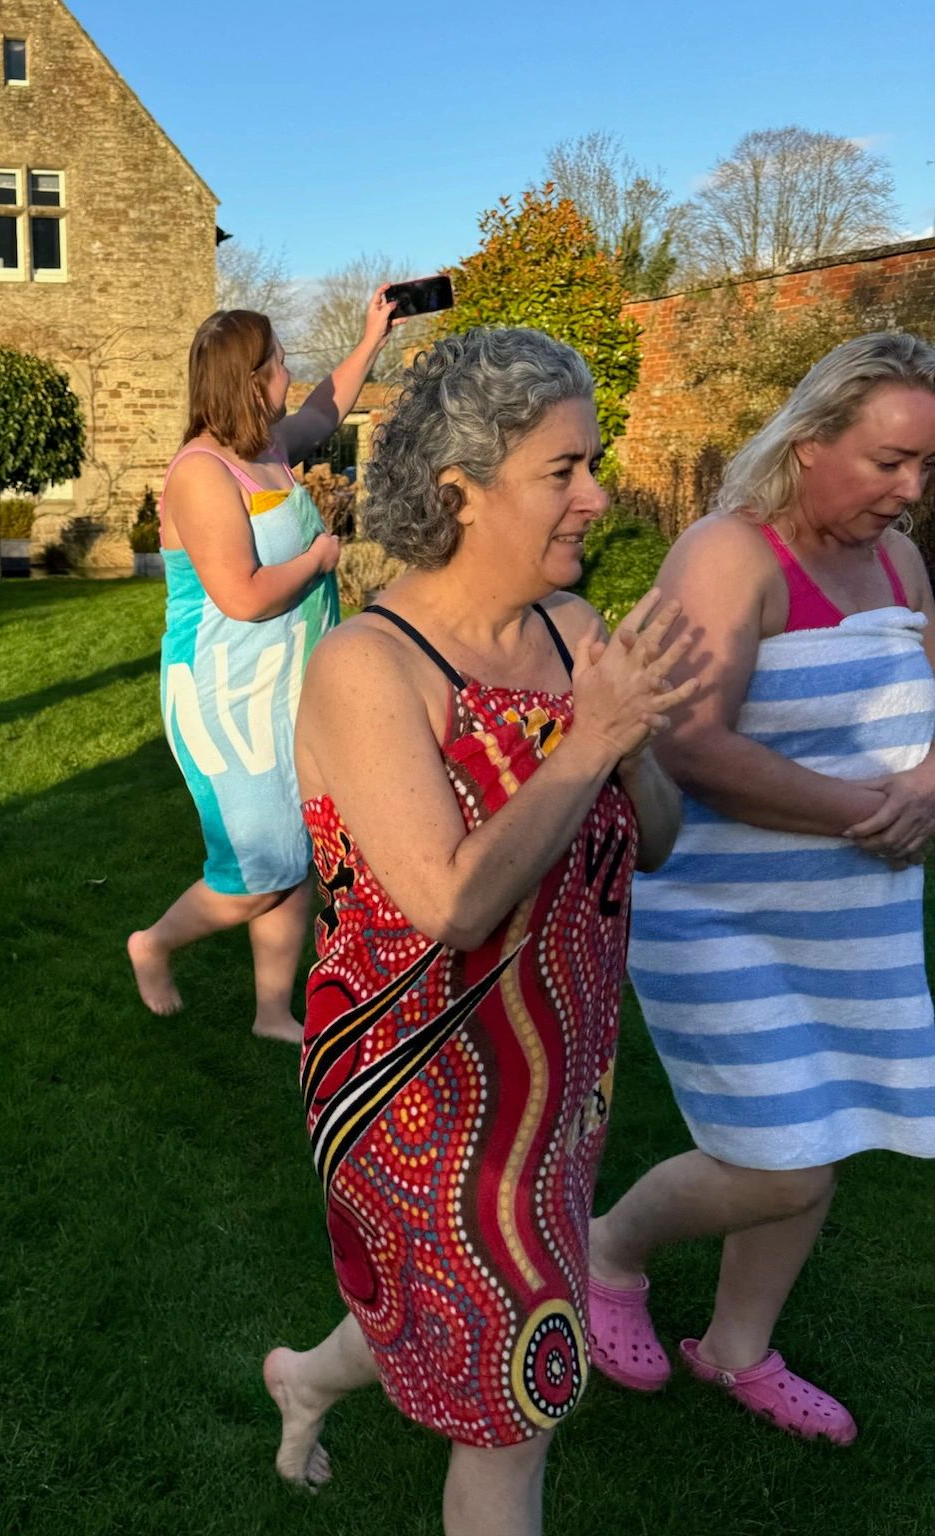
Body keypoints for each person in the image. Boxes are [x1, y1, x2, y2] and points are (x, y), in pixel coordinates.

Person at [262, 328, 695, 1536]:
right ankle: (325, 1383)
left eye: (591, 463)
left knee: (449, 1320)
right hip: (423, 1098)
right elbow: (450, 903)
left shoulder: (572, 632)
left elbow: (656, 842)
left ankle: (304, 1379)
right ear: (462, 490)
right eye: (565, 470)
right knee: (516, 1401)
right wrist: (592, 741)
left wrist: (632, 741)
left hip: (560, 1084)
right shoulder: (369, 667)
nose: (597, 494)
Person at [587, 332, 935, 1443]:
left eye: (925, 466)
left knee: (822, 1127)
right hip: (718, 908)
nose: (910, 489)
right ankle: (607, 1250)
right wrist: (875, 812)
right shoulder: (729, 555)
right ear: (810, 439)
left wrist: (928, 782)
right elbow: (688, 746)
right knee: (785, 1162)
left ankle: (737, 1349)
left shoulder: (902, 564)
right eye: (889, 461)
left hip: (856, 914)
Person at [128, 289, 411, 1041]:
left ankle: (271, 1013)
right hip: (227, 694)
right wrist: (319, 559)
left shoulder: (268, 448)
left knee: (296, 848)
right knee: (257, 866)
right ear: (251, 381)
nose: (290, 372)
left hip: (289, 684)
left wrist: (372, 337)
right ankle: (152, 945)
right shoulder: (201, 473)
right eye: (280, 362)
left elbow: (325, 408)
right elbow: (243, 595)